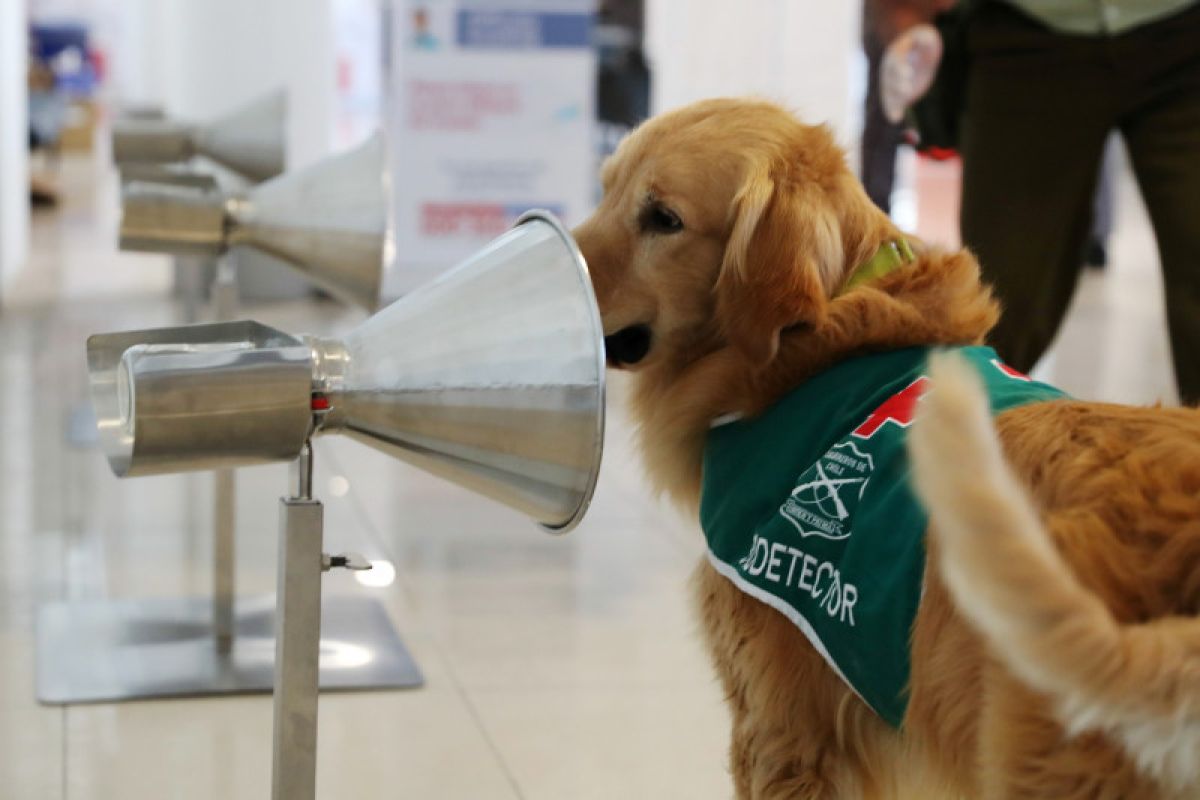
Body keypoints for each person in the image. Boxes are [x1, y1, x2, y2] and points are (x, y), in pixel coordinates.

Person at [882, 0, 1200, 404]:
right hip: (1026, 36)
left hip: (1186, 35)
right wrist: (907, 16)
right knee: (998, 305)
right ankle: (942, 456)